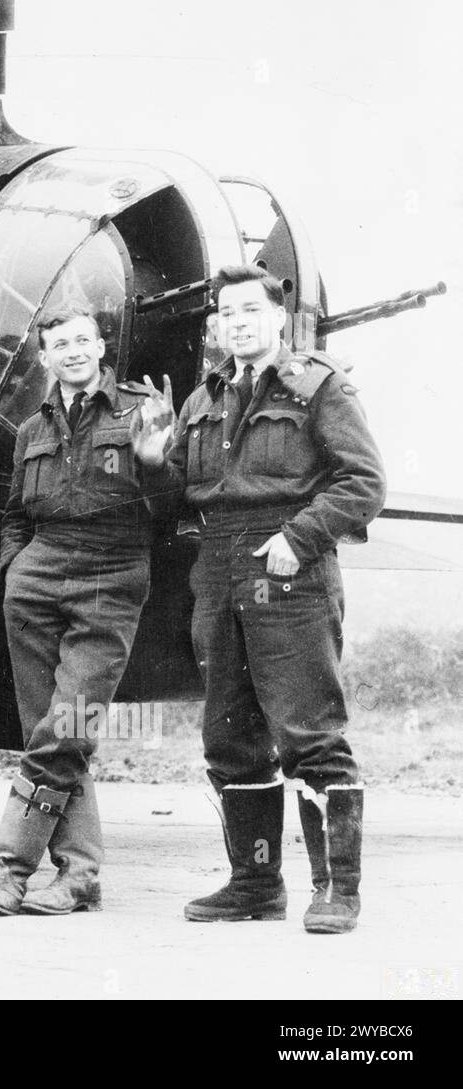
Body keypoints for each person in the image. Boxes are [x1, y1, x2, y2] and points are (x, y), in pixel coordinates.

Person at [132, 263, 386, 933]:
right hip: (217, 569)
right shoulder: (201, 400)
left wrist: (299, 538)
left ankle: (337, 888)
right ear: (216, 324)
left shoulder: (319, 388)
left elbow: (364, 483)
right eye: (226, 313)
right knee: (229, 736)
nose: (238, 322)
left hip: (289, 571)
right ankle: (255, 881)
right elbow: (180, 497)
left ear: (278, 318)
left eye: (251, 310)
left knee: (309, 732)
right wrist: (155, 456)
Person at [0, 310, 162, 916]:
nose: (74, 352)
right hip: (35, 583)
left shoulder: (143, 411)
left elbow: (180, 498)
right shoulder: (31, 428)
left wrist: (160, 458)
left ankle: (9, 867)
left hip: (110, 578)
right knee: (50, 733)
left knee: (67, 728)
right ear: (46, 357)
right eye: (60, 345)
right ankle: (80, 875)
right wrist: (15, 569)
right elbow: (13, 514)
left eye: (84, 340)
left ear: (102, 347)